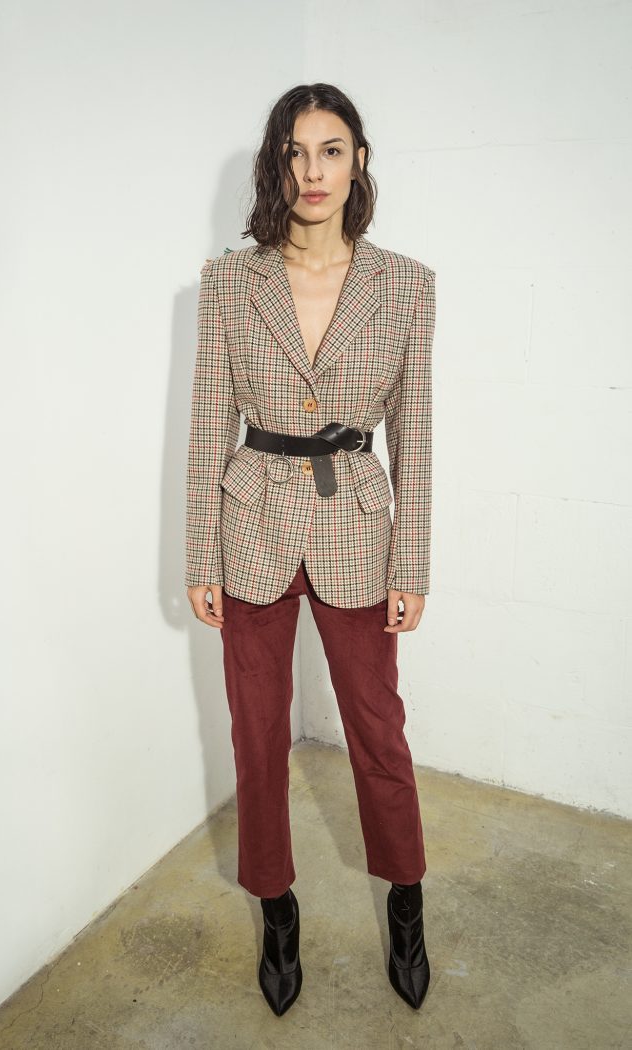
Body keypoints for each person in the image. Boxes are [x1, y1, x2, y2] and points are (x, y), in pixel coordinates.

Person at [185, 83, 436, 1017]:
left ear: (358, 161)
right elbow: (209, 421)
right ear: (276, 165)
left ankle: (405, 901)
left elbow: (416, 434)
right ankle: (276, 908)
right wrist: (199, 555)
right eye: (295, 152)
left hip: (358, 528)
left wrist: (412, 564)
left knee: (378, 729)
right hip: (250, 522)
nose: (313, 171)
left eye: (331, 150)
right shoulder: (230, 282)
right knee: (256, 737)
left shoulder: (406, 284)